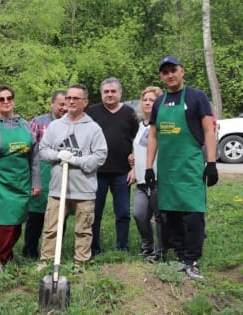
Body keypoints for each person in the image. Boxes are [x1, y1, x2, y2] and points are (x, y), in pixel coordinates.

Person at [146, 56, 218, 280]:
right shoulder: (159, 102)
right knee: (170, 214)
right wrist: (149, 167)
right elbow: (153, 135)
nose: (170, 75)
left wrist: (212, 162)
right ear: (161, 77)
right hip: (167, 169)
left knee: (192, 214)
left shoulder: (197, 97)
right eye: (165, 72)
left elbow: (209, 130)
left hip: (189, 167)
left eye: (173, 70)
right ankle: (179, 257)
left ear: (182, 71)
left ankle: (192, 259)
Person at [0, 84, 41, 275]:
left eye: (9, 98)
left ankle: (7, 254)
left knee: (17, 223)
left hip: (21, 182)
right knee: (5, 224)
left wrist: (36, 182)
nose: (5, 102)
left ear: (13, 100)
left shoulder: (25, 124)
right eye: (1, 99)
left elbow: (34, 157)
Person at [39, 84, 107, 265]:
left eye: (75, 98)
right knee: (51, 228)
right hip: (57, 189)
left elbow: (100, 156)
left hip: (83, 189)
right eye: (68, 98)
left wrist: (77, 161)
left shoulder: (93, 129)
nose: (70, 101)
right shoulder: (55, 126)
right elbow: (43, 150)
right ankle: (47, 261)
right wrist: (58, 155)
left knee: (83, 229)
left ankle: (81, 262)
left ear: (85, 102)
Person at [86, 77, 138, 254]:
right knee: (95, 213)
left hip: (123, 173)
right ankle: (93, 248)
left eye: (113, 91)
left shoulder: (130, 113)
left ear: (120, 93)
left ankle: (122, 247)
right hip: (97, 172)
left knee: (123, 212)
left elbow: (137, 142)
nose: (109, 94)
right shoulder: (92, 112)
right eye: (106, 92)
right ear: (101, 94)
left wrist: (134, 167)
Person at [21, 90, 67, 259]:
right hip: (41, 175)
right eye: (61, 104)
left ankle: (55, 252)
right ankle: (30, 252)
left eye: (67, 104)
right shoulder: (38, 123)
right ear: (52, 104)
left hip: (61, 175)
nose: (64, 108)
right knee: (36, 216)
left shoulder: (72, 124)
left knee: (60, 215)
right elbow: (29, 152)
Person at [130, 86, 165, 262]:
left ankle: (160, 251)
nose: (148, 103)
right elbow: (136, 151)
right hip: (142, 180)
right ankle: (147, 246)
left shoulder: (161, 125)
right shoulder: (138, 126)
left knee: (160, 217)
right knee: (139, 214)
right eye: (145, 100)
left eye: (152, 100)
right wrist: (132, 167)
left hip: (158, 178)